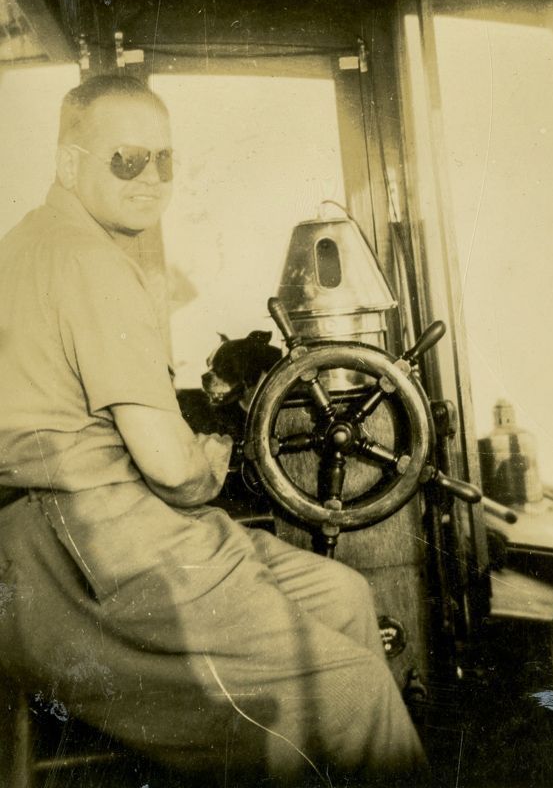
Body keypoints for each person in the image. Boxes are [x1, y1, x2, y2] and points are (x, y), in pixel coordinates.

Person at [0, 74, 427, 786]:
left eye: (164, 159)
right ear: (69, 163)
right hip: (95, 564)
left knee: (342, 596)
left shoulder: (24, 245)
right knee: (355, 692)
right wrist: (209, 461)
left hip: (42, 562)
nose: (151, 177)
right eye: (126, 159)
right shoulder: (92, 262)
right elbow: (170, 470)